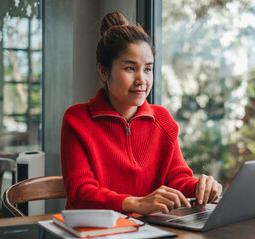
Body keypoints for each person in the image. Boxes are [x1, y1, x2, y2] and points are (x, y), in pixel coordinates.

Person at [61, 12, 222, 216]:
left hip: (150, 230)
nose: (141, 80)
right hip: (96, 231)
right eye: (130, 68)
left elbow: (176, 178)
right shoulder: (78, 119)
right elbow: (80, 193)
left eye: (148, 69)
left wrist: (201, 187)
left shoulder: (162, 120)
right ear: (103, 71)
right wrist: (135, 204)